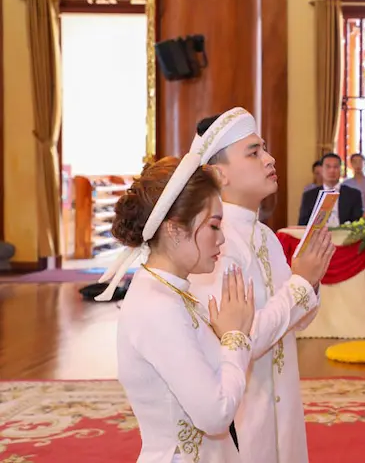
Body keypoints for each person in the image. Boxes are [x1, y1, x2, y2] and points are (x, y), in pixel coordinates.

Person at [188, 108, 336, 463]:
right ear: (218, 174)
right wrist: (302, 281)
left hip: (281, 403)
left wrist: (310, 282)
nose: (269, 159)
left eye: (264, 149)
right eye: (254, 152)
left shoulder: (266, 235)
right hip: (242, 415)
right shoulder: (215, 241)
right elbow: (243, 338)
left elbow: (297, 319)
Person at [102, 154, 256, 463]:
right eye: (214, 225)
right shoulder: (159, 306)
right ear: (174, 230)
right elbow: (215, 415)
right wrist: (234, 338)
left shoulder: (169, 290)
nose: (222, 237)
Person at [298, 153, 363, 226]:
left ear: (341, 170)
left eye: (336, 167)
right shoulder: (309, 196)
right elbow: (302, 224)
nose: (332, 170)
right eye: (328, 167)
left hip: (345, 235)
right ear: (321, 170)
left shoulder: (354, 194)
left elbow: (357, 224)